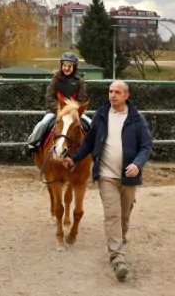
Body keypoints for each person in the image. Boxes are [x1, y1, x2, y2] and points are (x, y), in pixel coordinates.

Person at [62, 80, 153, 281]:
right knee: (112, 215)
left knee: (124, 216)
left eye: (117, 92)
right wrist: (73, 158)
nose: (112, 95)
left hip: (129, 177)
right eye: (110, 91)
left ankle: (118, 240)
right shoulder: (101, 117)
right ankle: (117, 257)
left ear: (126, 96)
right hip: (106, 175)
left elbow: (146, 146)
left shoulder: (137, 119)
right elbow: (88, 143)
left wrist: (137, 164)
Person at [22, 52, 90, 157]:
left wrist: (73, 111)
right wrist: (59, 110)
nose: (66, 68)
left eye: (69, 66)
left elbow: (81, 99)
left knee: (91, 123)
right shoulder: (56, 79)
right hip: (55, 112)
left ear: (74, 66)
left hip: (73, 113)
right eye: (64, 65)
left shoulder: (79, 81)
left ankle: (96, 148)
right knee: (43, 124)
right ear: (61, 65)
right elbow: (49, 96)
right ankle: (30, 144)